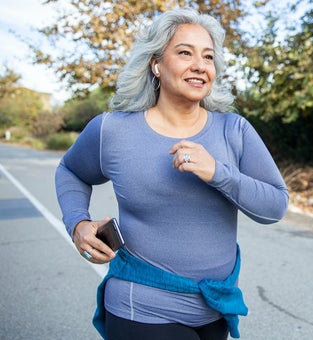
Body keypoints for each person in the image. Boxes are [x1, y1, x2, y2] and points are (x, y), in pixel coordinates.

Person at [55, 8, 288, 340]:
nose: (199, 65)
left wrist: (219, 173)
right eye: (184, 53)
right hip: (142, 308)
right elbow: (71, 170)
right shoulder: (113, 130)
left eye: (208, 57)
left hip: (215, 309)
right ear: (156, 65)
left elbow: (276, 206)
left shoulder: (234, 130)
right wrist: (78, 223)